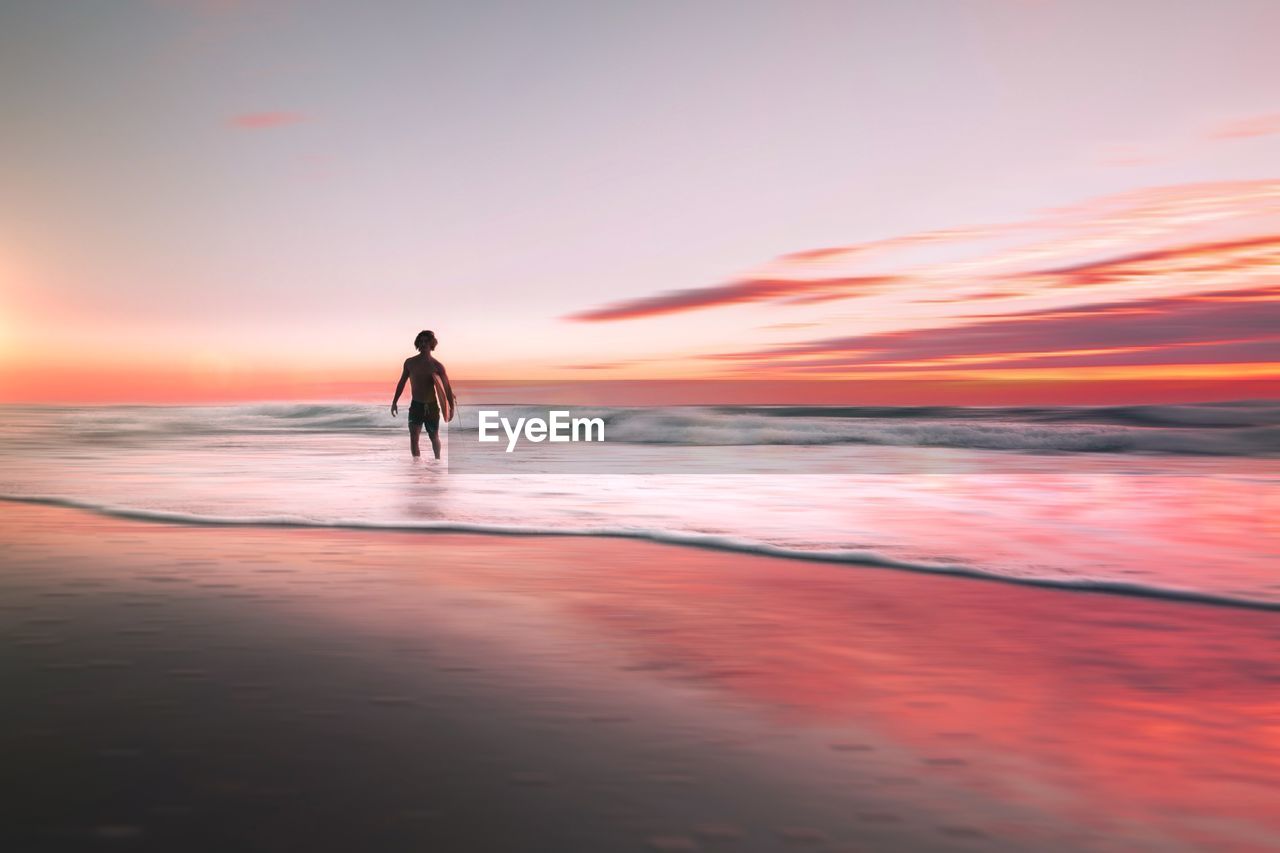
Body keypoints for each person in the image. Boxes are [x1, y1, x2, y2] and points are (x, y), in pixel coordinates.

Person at [391, 330, 456, 459]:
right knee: (414, 438)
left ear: (432, 344)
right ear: (418, 344)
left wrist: (451, 407)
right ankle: (416, 468)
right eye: (421, 341)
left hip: (431, 407)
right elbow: (402, 382)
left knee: (434, 437)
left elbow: (447, 387)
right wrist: (394, 402)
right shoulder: (410, 363)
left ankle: (437, 461)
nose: (423, 343)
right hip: (416, 406)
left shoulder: (437, 366)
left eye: (426, 341)